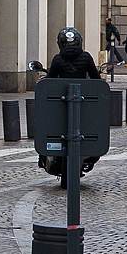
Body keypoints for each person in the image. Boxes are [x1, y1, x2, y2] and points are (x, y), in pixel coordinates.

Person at [40, 26, 101, 187]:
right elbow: (96, 79)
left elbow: (51, 79)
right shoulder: (86, 57)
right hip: (82, 102)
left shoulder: (57, 59)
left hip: (60, 103)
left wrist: (43, 80)